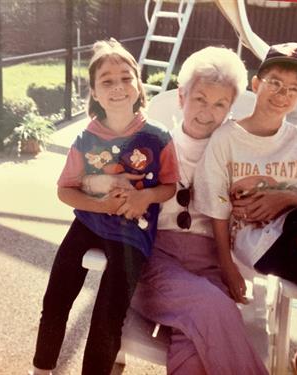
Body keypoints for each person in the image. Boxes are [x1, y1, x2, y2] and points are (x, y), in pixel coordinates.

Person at [84, 46, 268, 374]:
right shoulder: (148, 143)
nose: (207, 112)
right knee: (214, 306)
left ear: (229, 109)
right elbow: (101, 186)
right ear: (181, 98)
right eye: (199, 99)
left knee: (194, 350)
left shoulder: (236, 154)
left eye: (219, 104)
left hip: (210, 265)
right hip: (155, 261)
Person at [193, 42, 297, 375]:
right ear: (255, 84)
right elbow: (216, 208)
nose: (283, 93)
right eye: (275, 82)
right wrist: (226, 264)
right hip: (252, 238)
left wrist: (284, 196)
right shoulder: (227, 139)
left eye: (294, 89)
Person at [31, 39, 179, 375]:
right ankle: (41, 369)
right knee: (56, 298)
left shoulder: (158, 137)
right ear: (95, 93)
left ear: (138, 85)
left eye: (126, 78)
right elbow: (65, 191)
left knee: (108, 315)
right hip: (89, 222)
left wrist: (145, 197)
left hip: (133, 232)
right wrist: (101, 204)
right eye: (107, 81)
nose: (118, 87)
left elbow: (169, 185)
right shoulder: (86, 140)